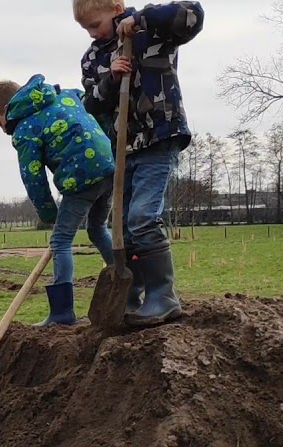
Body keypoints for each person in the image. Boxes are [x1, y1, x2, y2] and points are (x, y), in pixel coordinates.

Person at [75, 0, 204, 326]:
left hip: (160, 135)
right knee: (122, 227)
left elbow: (193, 14)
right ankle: (133, 294)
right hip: (123, 148)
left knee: (143, 216)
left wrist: (141, 19)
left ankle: (163, 295)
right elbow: (91, 103)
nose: (92, 33)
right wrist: (110, 80)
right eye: (86, 29)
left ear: (115, 7)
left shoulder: (153, 29)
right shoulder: (92, 58)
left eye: (95, 24)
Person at [0, 75, 116, 326]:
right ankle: (127, 281)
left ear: (7, 110)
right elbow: (96, 109)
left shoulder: (24, 130)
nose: (3, 130)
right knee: (97, 228)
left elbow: (33, 177)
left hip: (80, 177)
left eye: (0, 124)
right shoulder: (66, 95)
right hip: (109, 167)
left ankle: (62, 313)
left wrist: (49, 214)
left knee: (61, 240)